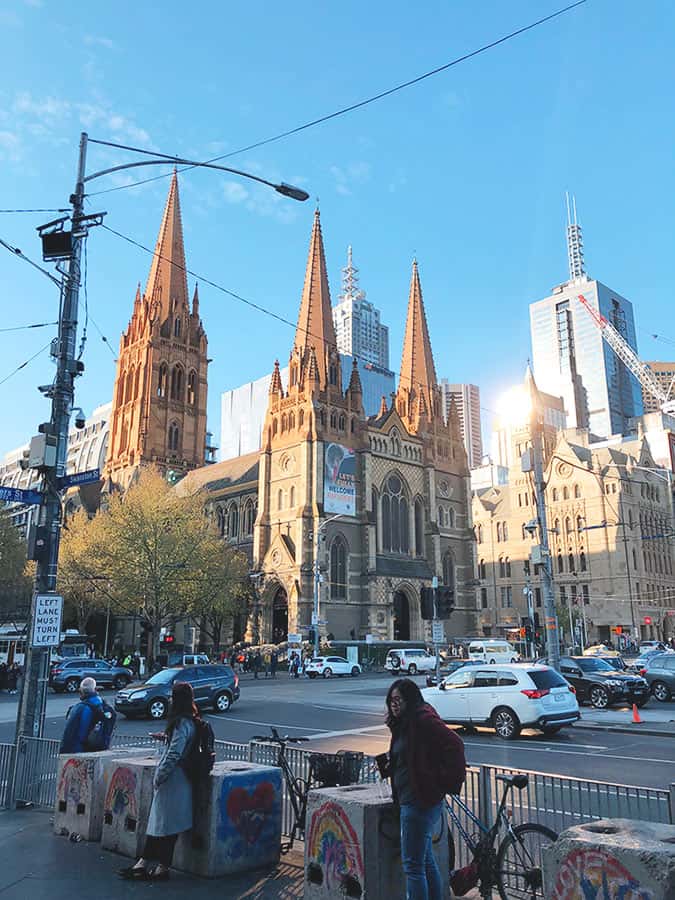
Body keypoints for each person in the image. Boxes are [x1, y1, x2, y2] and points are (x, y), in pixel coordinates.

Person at [383, 678, 466, 900]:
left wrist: (442, 781)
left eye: (398, 699)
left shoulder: (422, 720)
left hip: (418, 801)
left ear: (410, 699)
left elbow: (455, 744)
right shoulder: (406, 724)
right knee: (426, 860)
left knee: (413, 867)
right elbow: (415, 754)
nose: (394, 705)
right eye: (391, 700)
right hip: (415, 799)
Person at [120, 682, 197, 880]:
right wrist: (166, 738)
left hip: (173, 780)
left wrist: (160, 775)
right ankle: (150, 864)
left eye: (172, 696)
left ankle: (154, 865)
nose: (169, 699)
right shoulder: (190, 721)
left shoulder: (181, 723)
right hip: (180, 780)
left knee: (162, 825)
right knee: (161, 825)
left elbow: (174, 753)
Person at [59, 678, 105, 754]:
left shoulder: (80, 708)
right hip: (98, 748)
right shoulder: (102, 704)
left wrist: (64, 750)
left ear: (81, 691)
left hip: (79, 748)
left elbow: (70, 732)